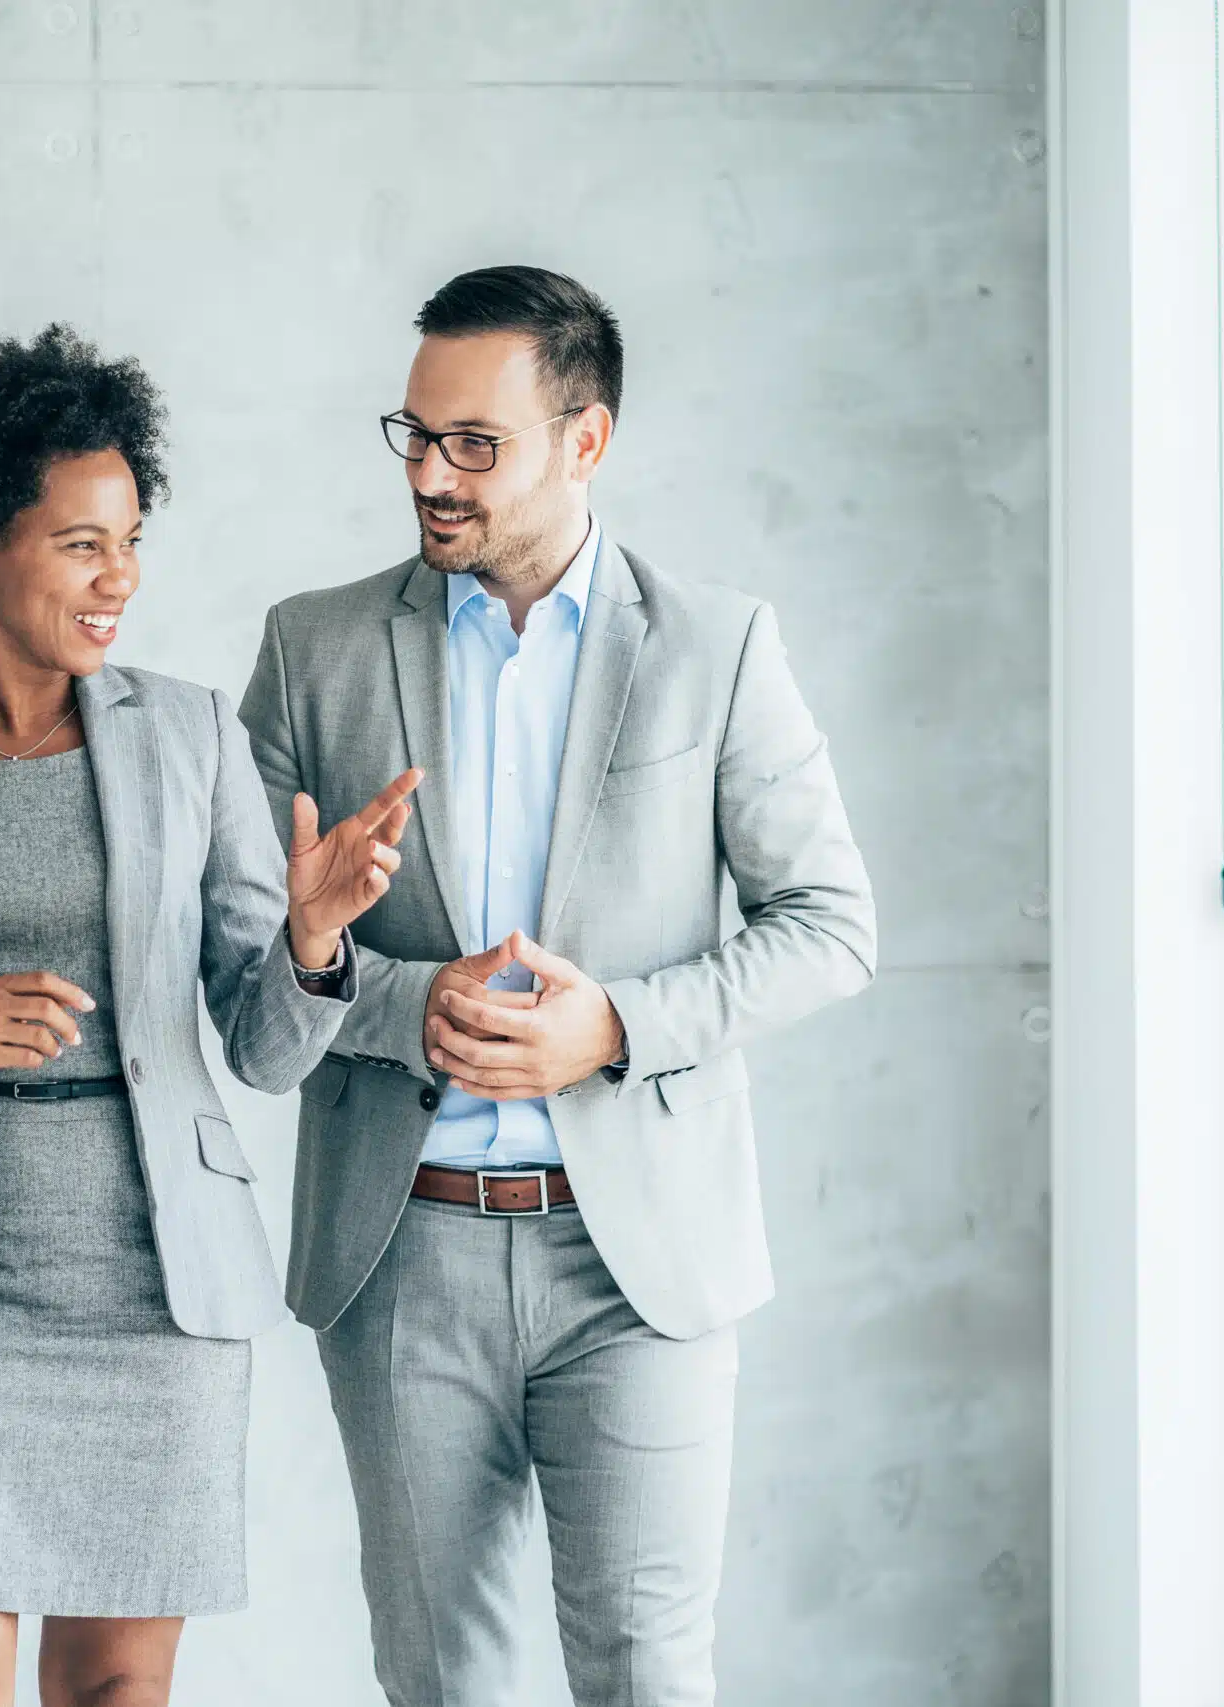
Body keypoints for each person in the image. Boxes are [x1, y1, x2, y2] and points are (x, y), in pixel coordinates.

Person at [0, 325, 421, 1707]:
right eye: (83, 545)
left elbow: (265, 1046)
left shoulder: (192, 732)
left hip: (156, 1278)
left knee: (113, 1690)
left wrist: (314, 936)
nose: (124, 581)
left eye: (132, 540)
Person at [239, 267, 877, 1705]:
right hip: (402, 1252)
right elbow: (247, 973)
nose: (430, 473)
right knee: (439, 1681)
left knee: (648, 1675)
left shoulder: (718, 646)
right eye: (412, 434)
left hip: (638, 1264)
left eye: (475, 443)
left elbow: (831, 922)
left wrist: (614, 1028)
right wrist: (367, 977)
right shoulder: (313, 649)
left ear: (584, 443)